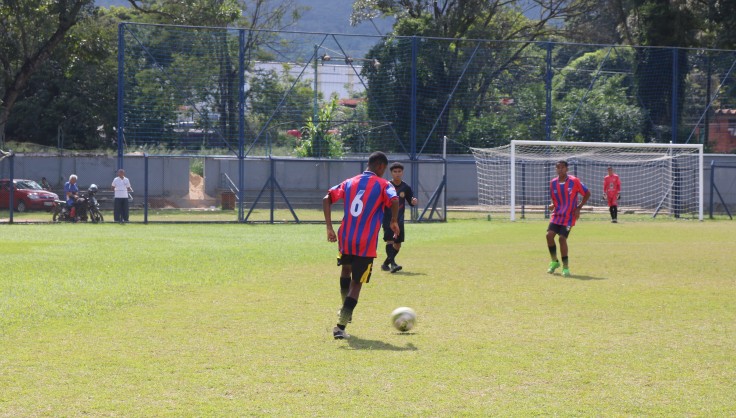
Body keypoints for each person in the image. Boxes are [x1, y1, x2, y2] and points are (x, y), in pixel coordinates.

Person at [323, 151, 400, 340]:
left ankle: (344, 308)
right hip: (365, 242)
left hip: (346, 237)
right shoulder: (384, 184)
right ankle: (340, 327)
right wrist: (394, 221)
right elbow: (395, 199)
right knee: (357, 283)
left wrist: (329, 228)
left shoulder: (349, 182)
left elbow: (327, 199)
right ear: (381, 166)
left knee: (345, 271)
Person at [546, 160, 590, 277]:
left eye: (562, 167)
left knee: (561, 238)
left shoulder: (574, 181)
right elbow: (554, 198)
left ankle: (565, 267)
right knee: (549, 236)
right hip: (557, 215)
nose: (560, 169)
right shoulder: (553, 183)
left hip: (569, 217)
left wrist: (579, 208)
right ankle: (554, 261)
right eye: (558, 168)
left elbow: (587, 193)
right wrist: (552, 205)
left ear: (567, 169)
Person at [380, 162, 418, 273]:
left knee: (398, 244)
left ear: (402, 172)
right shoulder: (386, 186)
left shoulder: (406, 187)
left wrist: (413, 201)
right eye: (395, 172)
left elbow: (411, 201)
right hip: (387, 218)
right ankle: (393, 264)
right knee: (390, 241)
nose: (397, 174)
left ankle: (386, 264)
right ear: (391, 173)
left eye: (399, 171)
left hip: (399, 219)